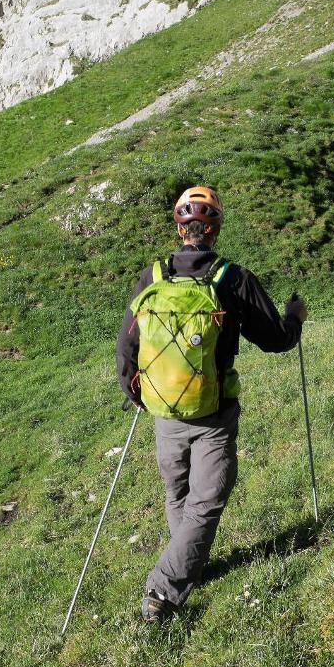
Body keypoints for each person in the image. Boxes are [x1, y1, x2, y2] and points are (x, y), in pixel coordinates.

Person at [116, 185, 308, 622]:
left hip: (163, 411)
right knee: (209, 496)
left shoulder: (154, 278)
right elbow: (276, 339)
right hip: (214, 413)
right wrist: (294, 318)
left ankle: (187, 567)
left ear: (179, 227)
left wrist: (139, 395)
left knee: (178, 492)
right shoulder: (232, 278)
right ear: (216, 227)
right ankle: (163, 590)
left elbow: (127, 348)